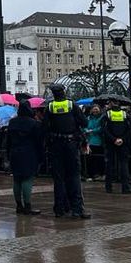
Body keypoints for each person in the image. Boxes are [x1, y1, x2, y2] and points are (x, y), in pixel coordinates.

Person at [44, 84, 91, 219]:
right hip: (71, 144)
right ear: (64, 92)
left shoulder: (50, 107)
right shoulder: (71, 105)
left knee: (59, 178)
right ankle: (77, 209)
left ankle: (59, 208)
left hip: (56, 145)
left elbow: (45, 126)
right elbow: (84, 123)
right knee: (74, 176)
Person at [7, 101, 43, 215]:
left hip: (14, 153)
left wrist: (8, 154)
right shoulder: (34, 124)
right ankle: (28, 206)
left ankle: (19, 205)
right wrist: (41, 156)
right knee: (27, 179)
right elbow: (39, 142)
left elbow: (8, 141)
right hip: (29, 154)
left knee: (17, 180)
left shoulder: (12, 122)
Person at [102, 100, 131, 194]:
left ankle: (108, 187)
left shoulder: (107, 114)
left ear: (111, 104)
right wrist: (122, 139)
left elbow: (104, 129)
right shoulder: (125, 114)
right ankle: (125, 187)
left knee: (109, 165)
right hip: (123, 143)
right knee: (124, 164)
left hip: (110, 143)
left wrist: (113, 139)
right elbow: (130, 129)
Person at [84, 105, 104, 181]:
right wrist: (86, 130)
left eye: (96, 109)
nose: (95, 111)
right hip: (89, 141)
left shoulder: (101, 118)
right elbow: (84, 126)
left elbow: (101, 128)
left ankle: (98, 174)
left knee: (98, 159)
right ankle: (90, 174)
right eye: (94, 109)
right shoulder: (88, 118)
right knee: (89, 159)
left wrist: (93, 131)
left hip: (98, 141)